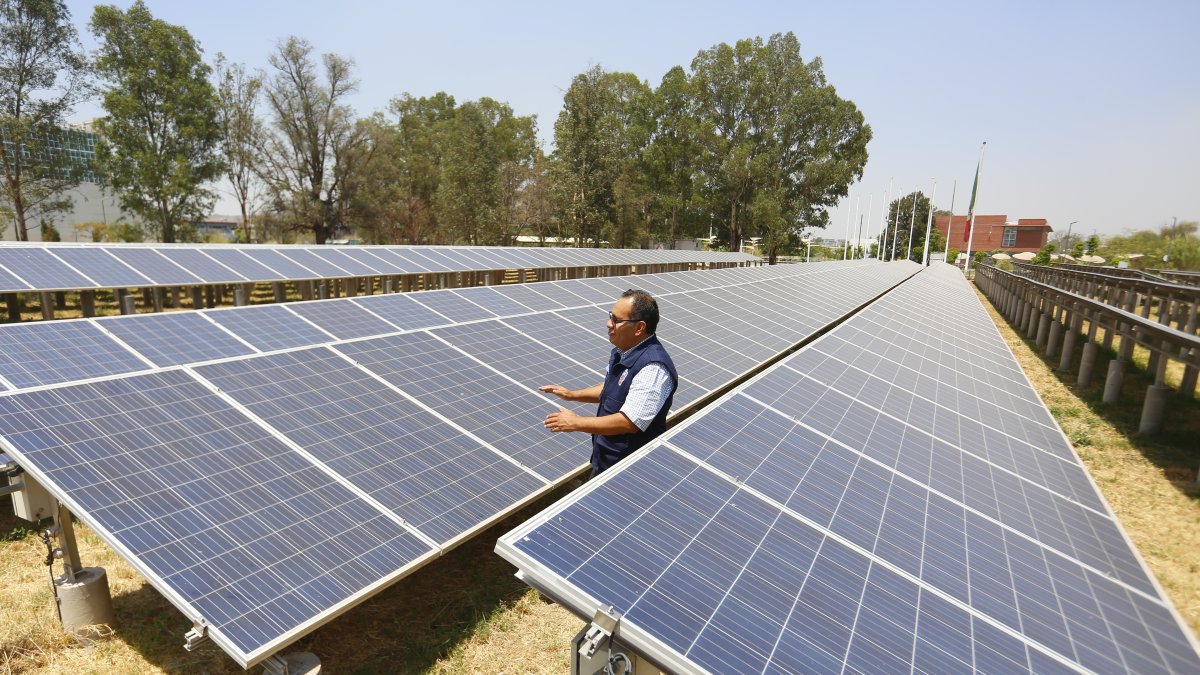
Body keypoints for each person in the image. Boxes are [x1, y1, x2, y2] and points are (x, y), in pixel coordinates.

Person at [541, 289, 678, 476]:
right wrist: (571, 395)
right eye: (610, 316)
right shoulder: (623, 351)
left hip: (628, 472)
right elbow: (612, 388)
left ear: (639, 328)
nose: (608, 323)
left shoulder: (653, 368)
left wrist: (576, 422)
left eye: (616, 320)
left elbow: (630, 421)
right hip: (605, 462)